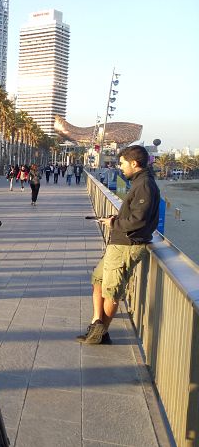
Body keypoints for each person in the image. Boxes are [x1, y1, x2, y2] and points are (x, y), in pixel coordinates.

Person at [77, 146, 160, 344]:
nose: (119, 167)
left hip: (127, 245)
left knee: (111, 291)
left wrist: (114, 223)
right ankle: (97, 324)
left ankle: (101, 333)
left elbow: (138, 220)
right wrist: (116, 219)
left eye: (122, 163)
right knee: (98, 279)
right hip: (119, 243)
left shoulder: (145, 185)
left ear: (134, 163)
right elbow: (134, 215)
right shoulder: (140, 183)